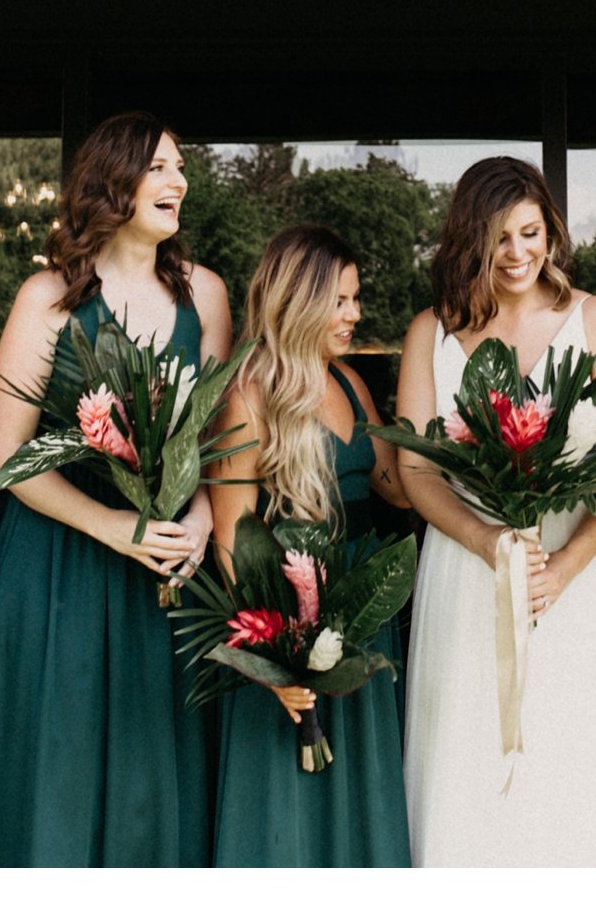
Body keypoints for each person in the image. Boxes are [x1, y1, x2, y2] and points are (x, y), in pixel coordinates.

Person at [397, 156, 596, 865]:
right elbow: (413, 467)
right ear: (470, 241)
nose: (519, 253)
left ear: (552, 233)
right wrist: (486, 538)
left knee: (588, 759)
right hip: (472, 569)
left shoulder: (595, 319)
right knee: (475, 754)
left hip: (585, 574)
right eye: (500, 238)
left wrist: (564, 565)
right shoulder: (428, 332)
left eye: (532, 233)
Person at [0, 113, 235, 865]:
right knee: (56, 766)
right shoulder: (46, 297)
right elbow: (6, 455)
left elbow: (217, 435)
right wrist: (110, 525)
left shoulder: (206, 295)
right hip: (60, 557)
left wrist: (199, 514)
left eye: (181, 167)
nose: (178, 181)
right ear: (112, 181)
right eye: (159, 167)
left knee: (156, 771)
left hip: (169, 559)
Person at [206, 225, 413, 866]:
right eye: (341, 301)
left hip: (362, 615)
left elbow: (395, 488)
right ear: (299, 300)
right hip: (288, 623)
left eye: (356, 299)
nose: (354, 314)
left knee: (363, 793)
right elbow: (231, 536)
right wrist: (275, 660)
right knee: (285, 809)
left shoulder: (350, 383)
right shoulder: (249, 393)